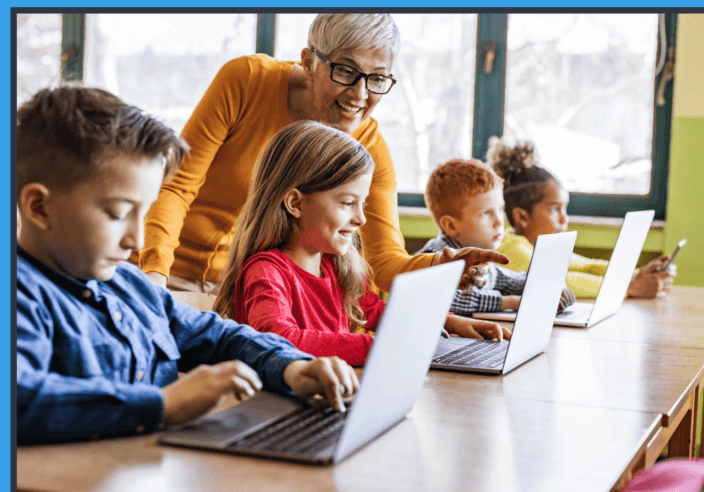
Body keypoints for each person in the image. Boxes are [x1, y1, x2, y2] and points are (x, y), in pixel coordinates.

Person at [15, 86, 359, 445]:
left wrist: (292, 368)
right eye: (118, 214)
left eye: (144, 214)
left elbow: (220, 336)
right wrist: (161, 405)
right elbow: (20, 397)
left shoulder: (128, 284)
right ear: (38, 207)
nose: (138, 241)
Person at [136, 13, 505, 305]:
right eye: (346, 70)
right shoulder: (245, 81)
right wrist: (154, 276)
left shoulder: (370, 150)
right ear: (310, 61)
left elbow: (385, 263)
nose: (360, 94)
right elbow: (175, 187)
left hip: (251, 293)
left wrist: (442, 264)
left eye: (377, 79)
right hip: (171, 277)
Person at [213, 122, 511, 366]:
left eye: (362, 204)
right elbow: (279, 339)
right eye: (346, 203)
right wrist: (376, 347)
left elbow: (379, 311)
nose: (360, 219)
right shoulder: (267, 272)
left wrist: (450, 322)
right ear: (295, 202)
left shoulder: (332, 265)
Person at [487, 138, 675, 299]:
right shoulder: (511, 249)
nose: (564, 219)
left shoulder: (539, 247)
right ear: (522, 217)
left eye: (564, 209)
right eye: (554, 209)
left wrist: (642, 274)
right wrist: (631, 287)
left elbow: (587, 267)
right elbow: (558, 282)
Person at [415, 158, 577, 316]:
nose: (499, 221)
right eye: (486, 213)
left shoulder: (483, 261)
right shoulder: (436, 257)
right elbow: (447, 299)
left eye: (500, 209)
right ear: (451, 225)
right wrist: (511, 302)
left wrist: (552, 286)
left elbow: (514, 281)